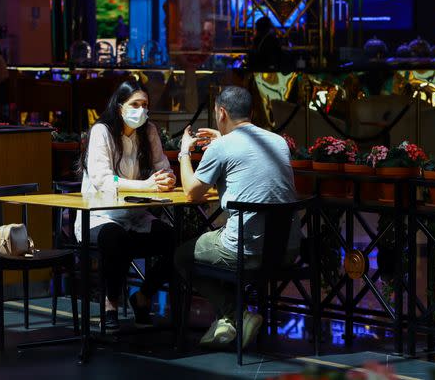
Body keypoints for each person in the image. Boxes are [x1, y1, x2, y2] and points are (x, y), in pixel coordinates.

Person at [174, 86, 301, 350]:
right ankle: (229, 320)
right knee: (218, 245)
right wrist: (221, 140)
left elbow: (191, 193)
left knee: (182, 256)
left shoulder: (222, 146)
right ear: (251, 112)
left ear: (221, 112)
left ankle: (236, 314)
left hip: (247, 251)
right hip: (287, 250)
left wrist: (184, 152)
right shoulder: (277, 141)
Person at [75, 80, 178, 330]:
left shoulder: (149, 131)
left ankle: (143, 295)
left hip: (135, 215)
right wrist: (148, 186)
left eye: (144, 105)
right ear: (120, 106)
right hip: (99, 216)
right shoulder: (102, 131)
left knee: (176, 240)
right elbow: (102, 180)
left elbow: (163, 167)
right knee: (115, 238)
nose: (140, 110)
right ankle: (110, 304)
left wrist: (168, 178)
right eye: (134, 104)